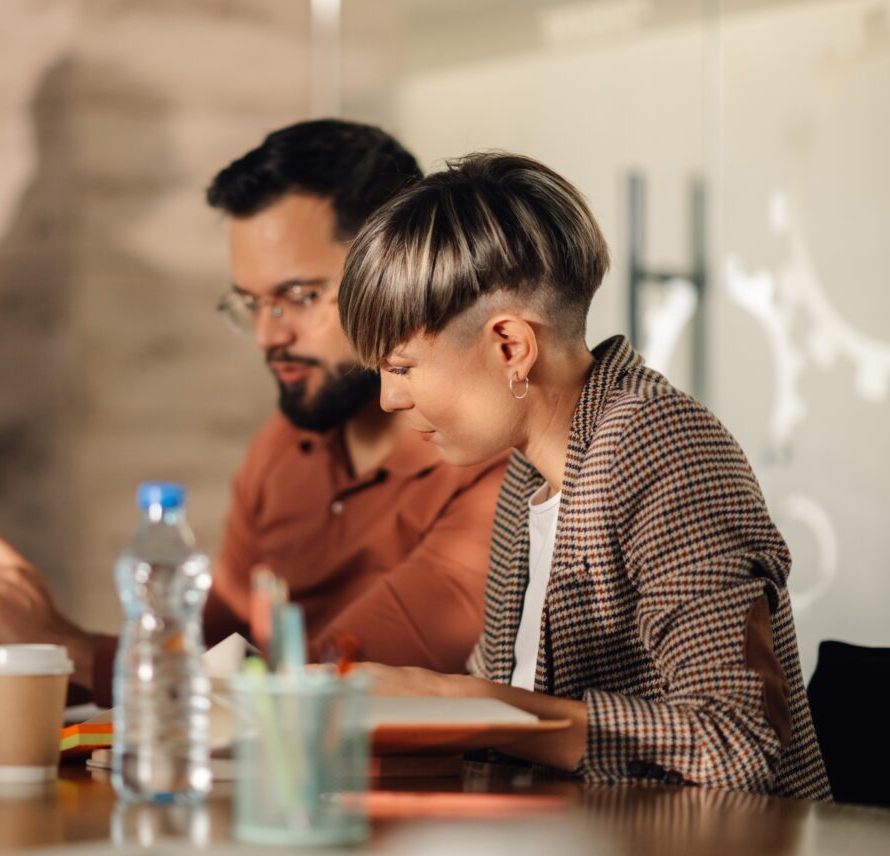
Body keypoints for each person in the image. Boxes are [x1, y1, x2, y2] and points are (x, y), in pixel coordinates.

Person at [0, 120, 508, 706]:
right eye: (250, 304)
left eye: (298, 296)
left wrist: (67, 647)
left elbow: (327, 686)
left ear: (392, 274)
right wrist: (17, 667)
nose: (268, 336)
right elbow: (200, 659)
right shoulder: (285, 447)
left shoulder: (482, 454)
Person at [335, 151, 830, 799]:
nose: (388, 400)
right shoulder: (526, 475)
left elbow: (740, 742)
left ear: (511, 346)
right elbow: (504, 712)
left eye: (401, 367)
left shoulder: (662, 447)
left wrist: (468, 699)